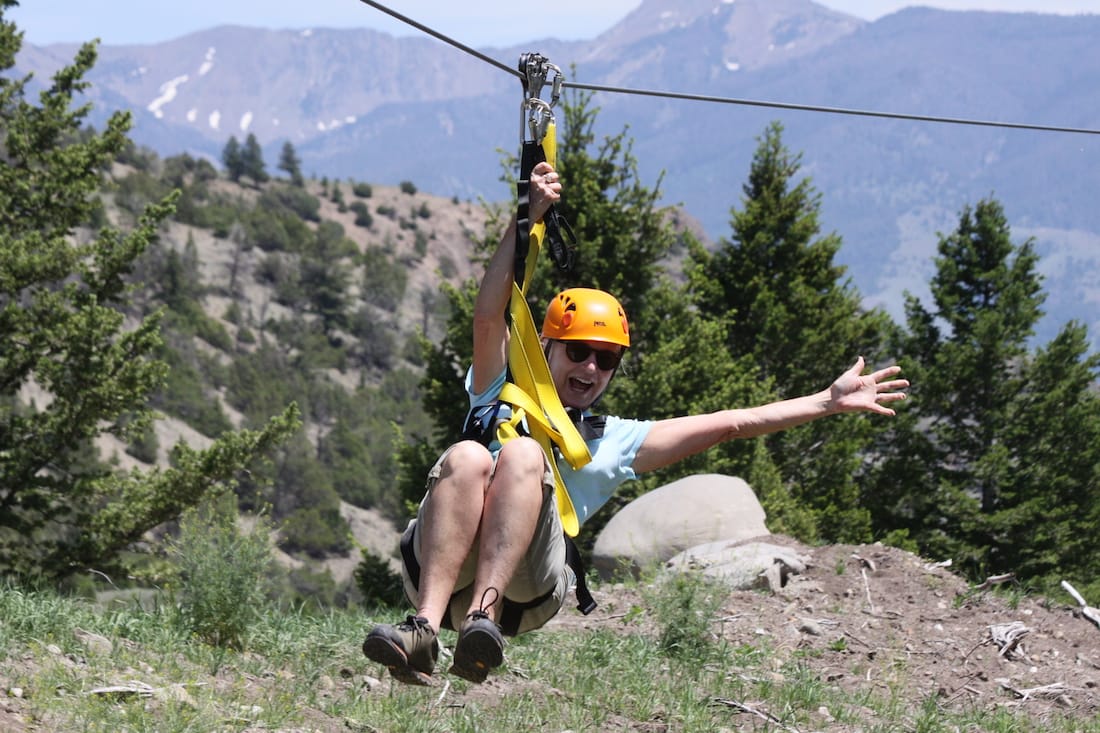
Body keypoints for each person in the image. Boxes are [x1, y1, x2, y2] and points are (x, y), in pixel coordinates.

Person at [362, 161, 909, 686]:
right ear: (547, 346)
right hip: (439, 565)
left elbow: (733, 423)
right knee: (469, 455)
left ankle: (482, 623)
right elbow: (489, 315)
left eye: (606, 360)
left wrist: (826, 401)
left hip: (524, 592)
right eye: (578, 351)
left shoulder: (615, 439)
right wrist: (525, 220)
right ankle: (423, 631)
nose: (590, 368)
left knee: (525, 455)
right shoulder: (496, 390)